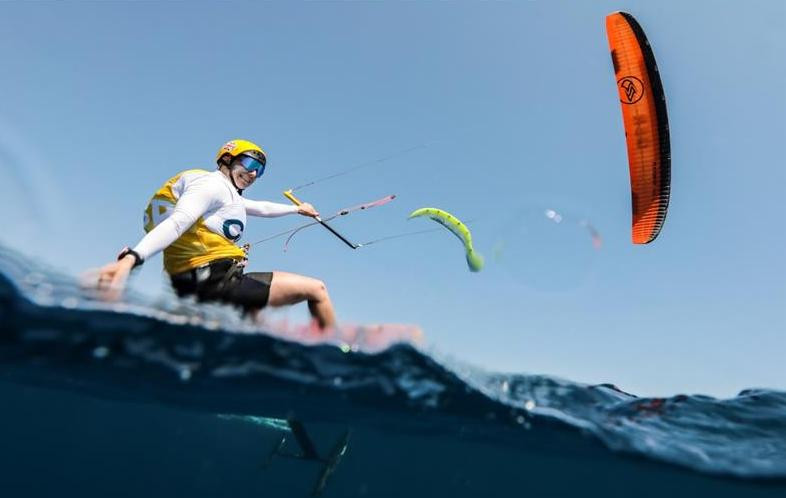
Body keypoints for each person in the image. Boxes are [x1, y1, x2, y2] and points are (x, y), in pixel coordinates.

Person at [95, 139, 336, 330]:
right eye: (250, 164)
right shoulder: (211, 185)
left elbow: (261, 208)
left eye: (259, 171)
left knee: (254, 320)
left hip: (202, 282)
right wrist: (133, 258)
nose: (253, 174)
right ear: (227, 159)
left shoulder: (227, 195)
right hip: (214, 282)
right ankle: (338, 356)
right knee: (317, 290)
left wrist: (297, 209)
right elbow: (178, 222)